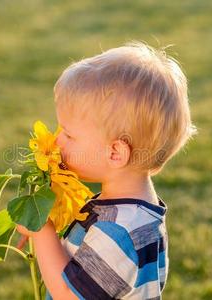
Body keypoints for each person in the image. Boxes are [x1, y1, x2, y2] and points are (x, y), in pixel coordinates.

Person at [17, 41, 196, 299]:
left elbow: (68, 294)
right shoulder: (130, 213)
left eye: (68, 134)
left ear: (115, 153)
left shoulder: (121, 231)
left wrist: (42, 230)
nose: (57, 141)